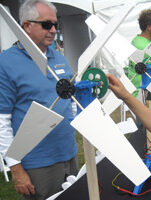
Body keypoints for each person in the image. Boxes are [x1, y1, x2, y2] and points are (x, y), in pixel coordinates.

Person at [0, 0, 78, 199]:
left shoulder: (58, 57)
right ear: (26, 25)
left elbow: (69, 99)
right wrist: (15, 168)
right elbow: (2, 120)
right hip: (37, 162)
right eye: (46, 24)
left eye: (55, 24)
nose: (53, 30)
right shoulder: (6, 63)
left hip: (69, 152)